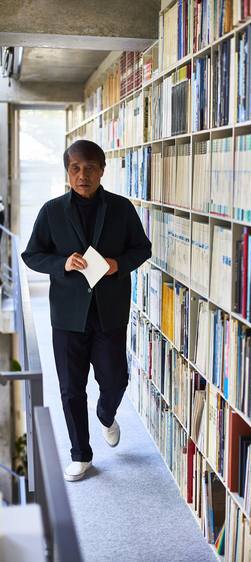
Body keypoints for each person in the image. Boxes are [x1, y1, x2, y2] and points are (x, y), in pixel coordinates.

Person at [22, 139, 152, 482]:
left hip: (109, 311)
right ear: (67, 172)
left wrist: (117, 264)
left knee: (116, 379)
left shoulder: (122, 208)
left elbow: (142, 248)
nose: (83, 174)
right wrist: (61, 262)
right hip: (67, 315)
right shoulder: (51, 211)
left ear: (102, 171)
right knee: (70, 388)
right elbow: (32, 255)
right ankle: (80, 454)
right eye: (76, 168)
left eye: (90, 167)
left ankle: (106, 415)